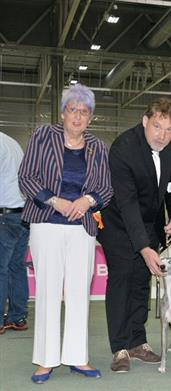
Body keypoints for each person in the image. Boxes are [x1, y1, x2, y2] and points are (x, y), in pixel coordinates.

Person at [18, 84, 113, 383]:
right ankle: (46, 360)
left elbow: (106, 189)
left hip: (82, 229)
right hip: (46, 223)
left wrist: (87, 201)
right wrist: (56, 201)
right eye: (73, 109)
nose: (78, 116)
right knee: (48, 292)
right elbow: (27, 177)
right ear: (62, 113)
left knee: (77, 294)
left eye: (84, 112)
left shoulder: (99, 147)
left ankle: (77, 357)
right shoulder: (43, 136)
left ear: (90, 117)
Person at [98, 98, 171, 373]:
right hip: (119, 225)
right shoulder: (123, 149)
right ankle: (120, 347)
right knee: (123, 279)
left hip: (150, 222)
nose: (162, 136)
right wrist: (144, 247)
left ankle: (138, 342)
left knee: (141, 282)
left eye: (169, 130)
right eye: (157, 127)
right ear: (145, 121)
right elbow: (127, 203)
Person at [0, 132, 30, 335]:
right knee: (16, 267)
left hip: (4, 215)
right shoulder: (11, 141)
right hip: (22, 214)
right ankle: (17, 317)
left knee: (1, 269)